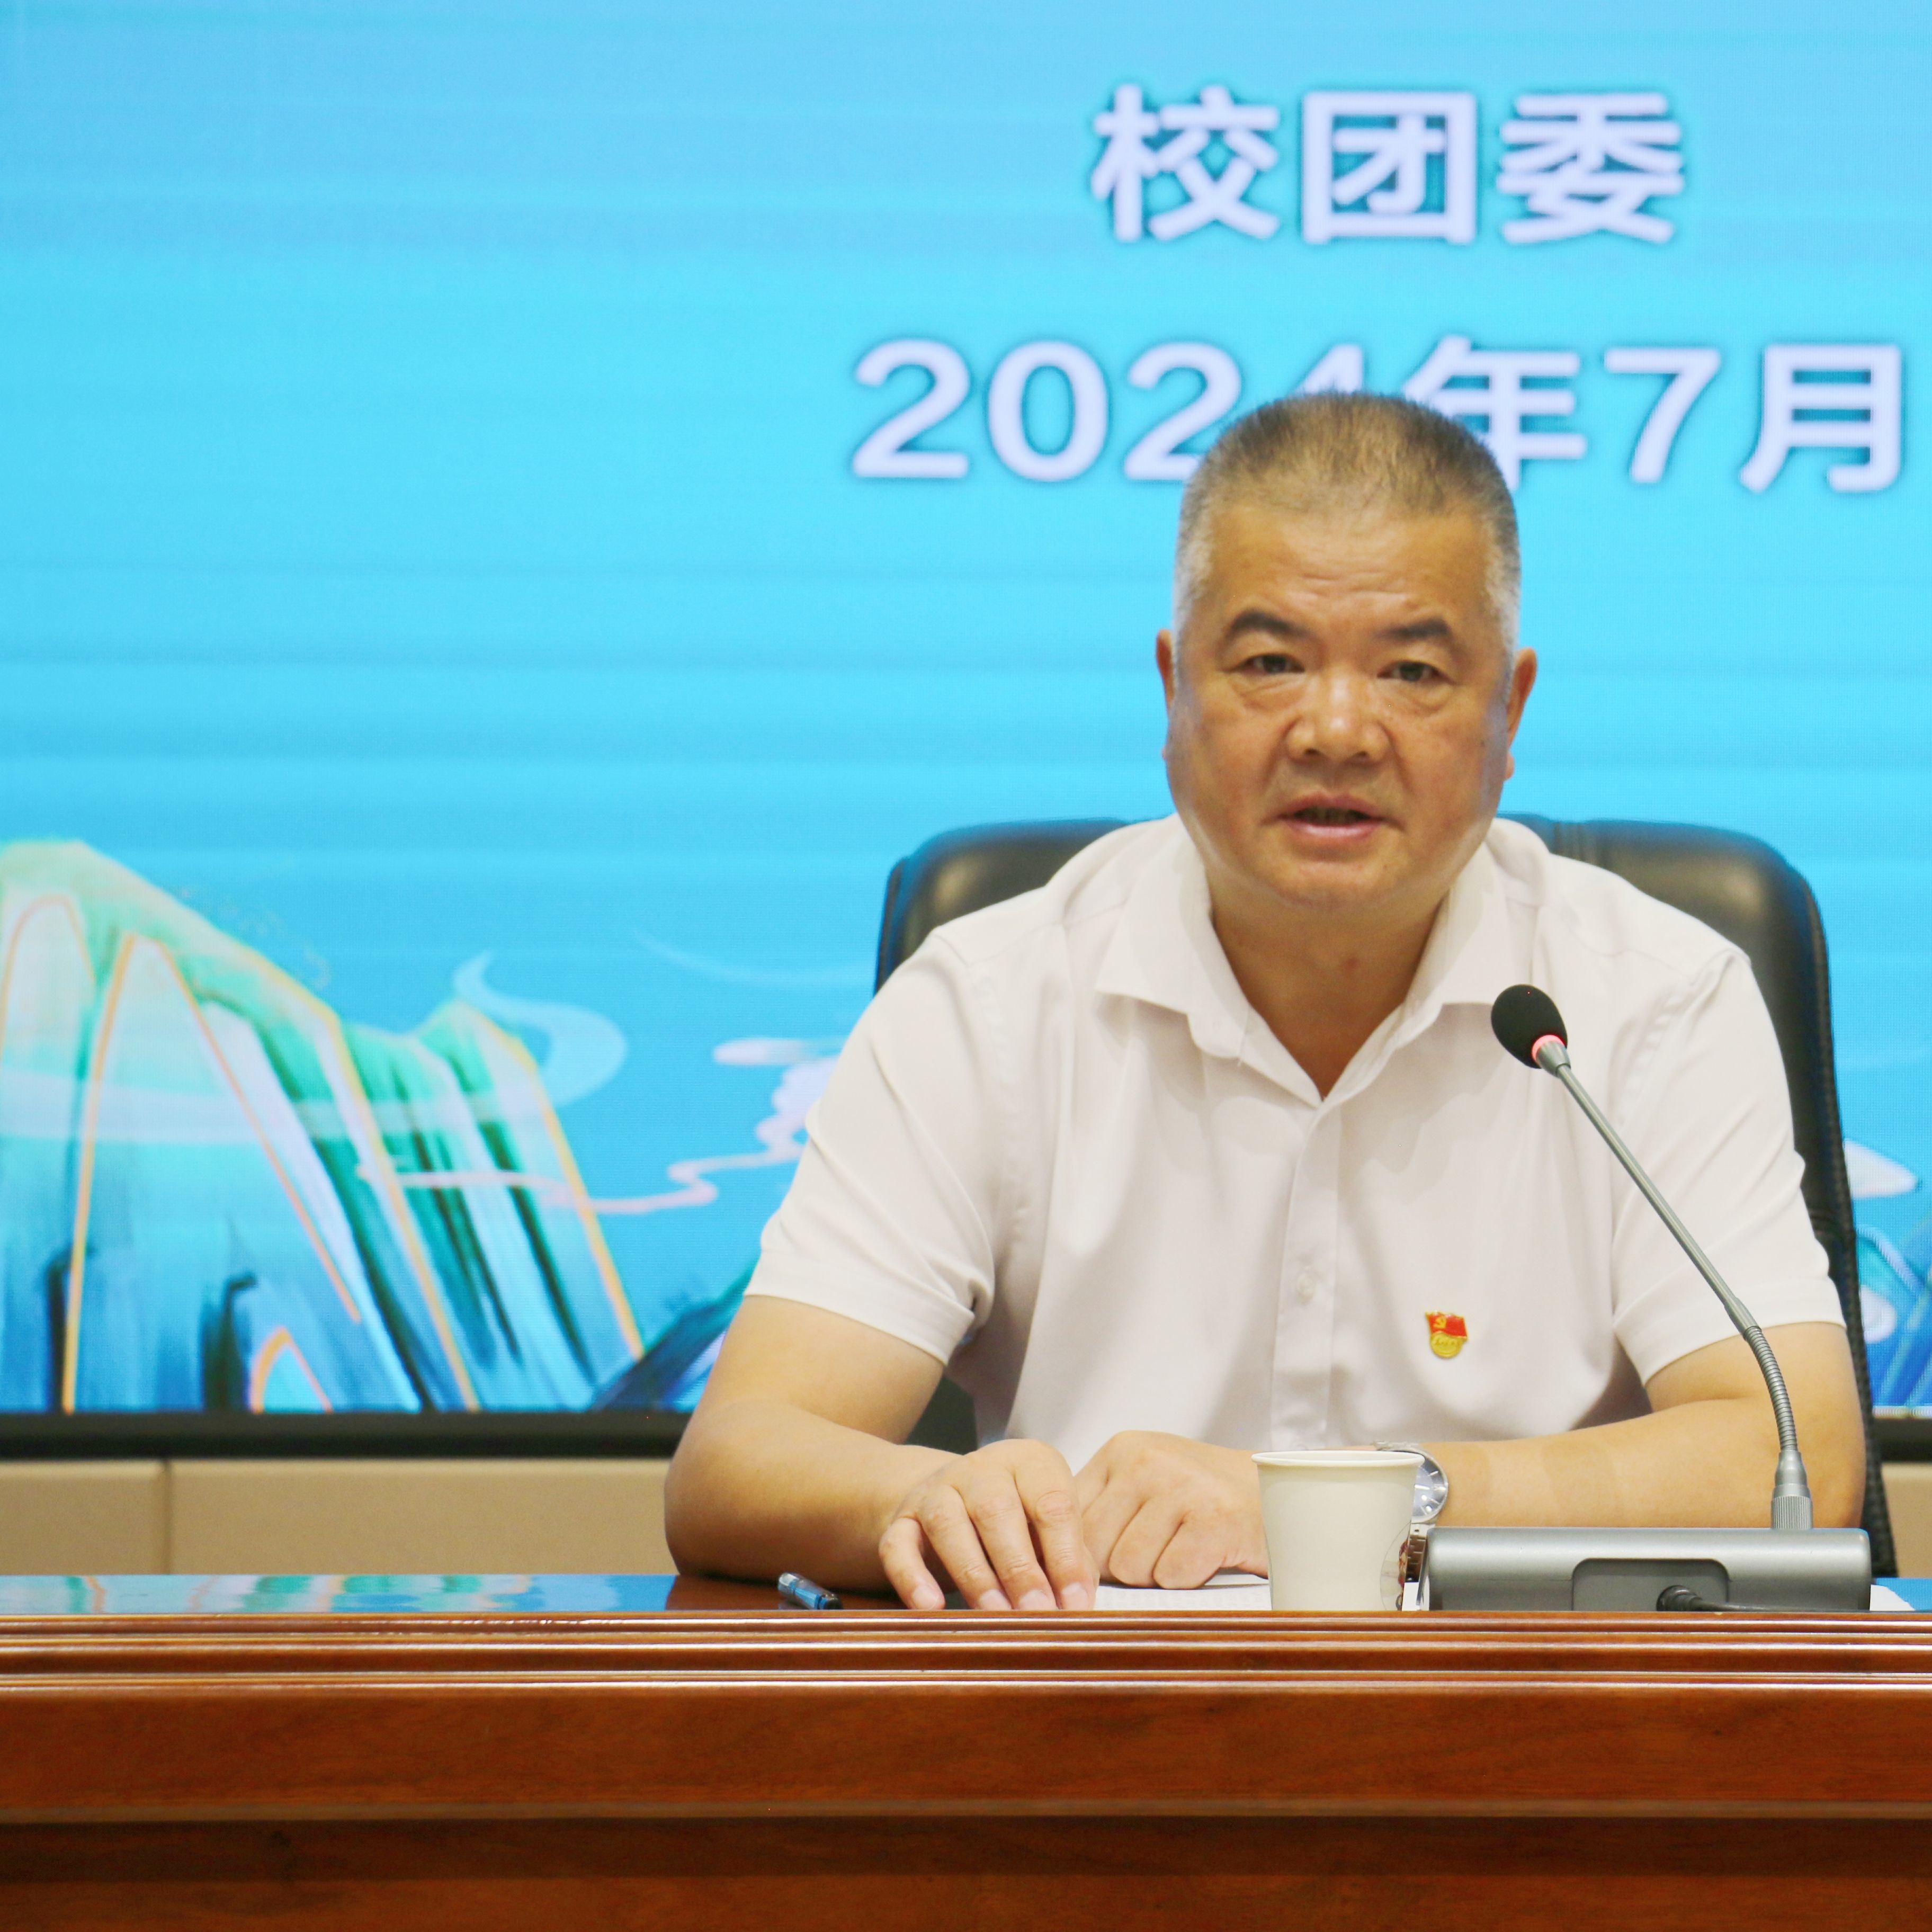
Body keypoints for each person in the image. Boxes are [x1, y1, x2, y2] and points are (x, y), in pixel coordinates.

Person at [663, 394, 1862, 1611]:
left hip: (1537, 1711)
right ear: (1173, 689)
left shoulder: (1652, 1003)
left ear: (1511, 711)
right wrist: (920, 1501)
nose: (1336, 730)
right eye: (1270, 663)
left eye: (1412, 671)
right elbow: (737, 1460)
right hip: (1096, 1711)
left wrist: (1344, 1500)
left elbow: (1795, 1460)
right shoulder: (992, 1001)